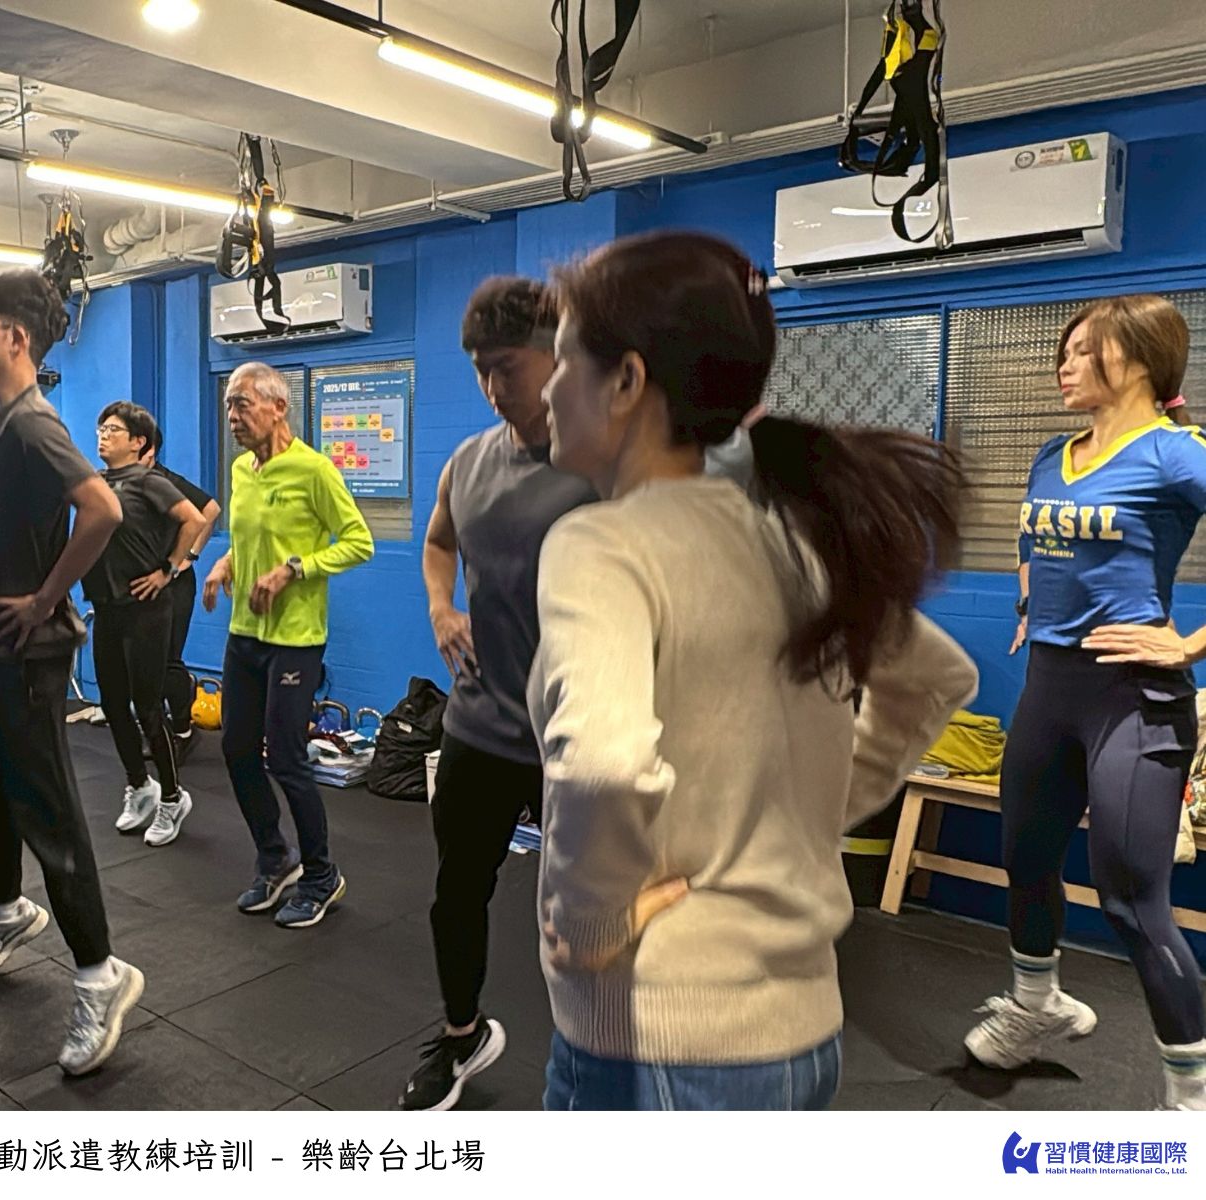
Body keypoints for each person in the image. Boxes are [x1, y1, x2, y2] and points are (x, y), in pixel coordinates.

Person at [533, 231, 978, 1110]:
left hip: (658, 1040)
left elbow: (603, 762)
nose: (547, 389)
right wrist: (818, 808)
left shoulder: (600, 544)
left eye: (563, 361)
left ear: (625, 383)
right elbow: (937, 678)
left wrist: (587, 924)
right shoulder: (790, 542)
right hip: (801, 1039)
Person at [970, 294, 1206, 1111]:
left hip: (1131, 697)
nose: (1064, 365)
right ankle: (1037, 1005)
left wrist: (1189, 645)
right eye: (1064, 353)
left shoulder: (1175, 453)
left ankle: (1190, 1099)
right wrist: (1030, 604)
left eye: (1083, 351)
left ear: (1138, 360)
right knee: (1026, 858)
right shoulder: (1052, 454)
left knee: (1131, 897)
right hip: (1049, 688)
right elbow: (1033, 539)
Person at [400, 277, 598, 1111]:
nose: (491, 385)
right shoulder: (469, 462)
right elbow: (438, 542)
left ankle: (604, 1068)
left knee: (592, 920)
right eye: (480, 368)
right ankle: (461, 1035)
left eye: (506, 367)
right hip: (480, 726)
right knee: (456, 896)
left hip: (581, 738)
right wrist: (441, 608)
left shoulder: (611, 467)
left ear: (559, 359)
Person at [0, 267, 144, 1077]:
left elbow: (103, 508)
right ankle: (7, 910)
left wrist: (44, 599)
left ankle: (100, 974)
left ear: (17, 338)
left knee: (47, 812)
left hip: (23, 654)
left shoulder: (33, 423)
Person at [203, 361, 374, 928]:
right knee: (236, 749)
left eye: (242, 403)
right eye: (228, 405)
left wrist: (293, 569)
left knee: (286, 756)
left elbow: (359, 542)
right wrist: (227, 563)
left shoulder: (315, 470)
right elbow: (249, 536)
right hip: (244, 634)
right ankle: (275, 860)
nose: (232, 415)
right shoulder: (241, 470)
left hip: (296, 639)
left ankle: (322, 874)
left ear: (279, 407)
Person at [85, 401, 208, 847]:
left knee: (148, 707)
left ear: (138, 442)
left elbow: (196, 518)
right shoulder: (98, 482)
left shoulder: (148, 480)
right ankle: (139, 786)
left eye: (113, 430)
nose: (103, 435)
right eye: (101, 428)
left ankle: (173, 797)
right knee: (113, 704)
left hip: (146, 610)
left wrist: (169, 570)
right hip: (108, 608)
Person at [138, 424, 220, 763]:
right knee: (143, 661)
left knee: (166, 660)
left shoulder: (166, 482)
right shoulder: (123, 483)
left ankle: (182, 731)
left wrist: (189, 556)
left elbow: (210, 510)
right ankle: (156, 730)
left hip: (173, 583)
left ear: (148, 450)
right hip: (141, 584)